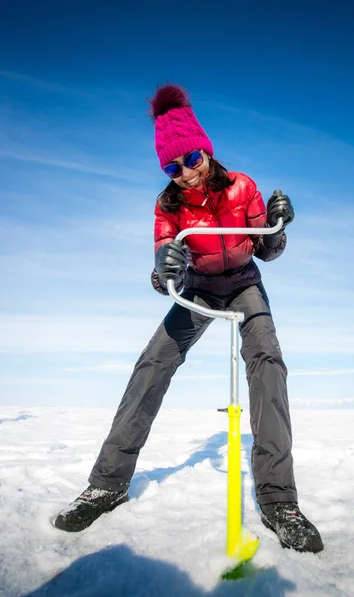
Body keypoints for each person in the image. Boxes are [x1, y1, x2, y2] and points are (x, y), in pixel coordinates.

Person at [54, 84, 323, 553]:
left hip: (243, 285)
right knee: (152, 365)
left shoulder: (243, 187)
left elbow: (268, 249)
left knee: (268, 364)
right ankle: (108, 484)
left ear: (207, 152)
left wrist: (280, 225)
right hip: (198, 290)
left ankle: (279, 500)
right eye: (172, 167)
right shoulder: (169, 206)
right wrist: (166, 271)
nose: (186, 174)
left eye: (192, 159)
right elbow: (164, 265)